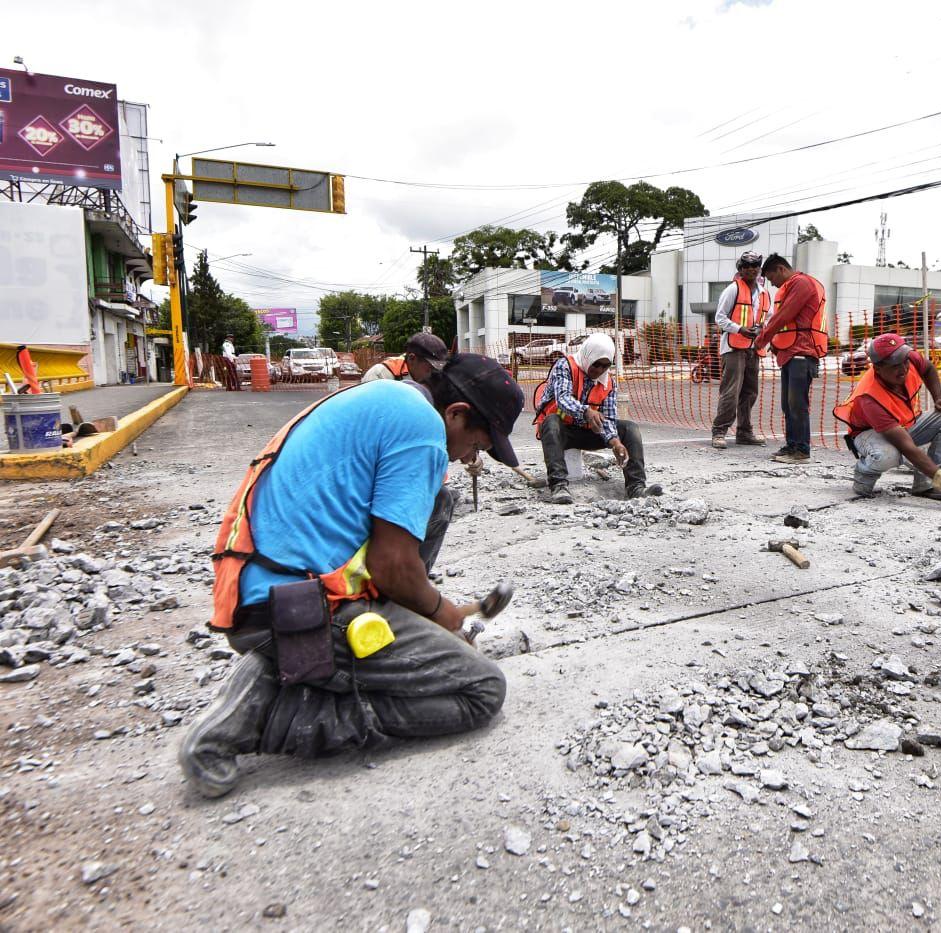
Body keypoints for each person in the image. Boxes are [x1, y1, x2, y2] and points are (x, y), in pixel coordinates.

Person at [179, 354, 523, 798]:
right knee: (481, 689)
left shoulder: (387, 399)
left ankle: (289, 663)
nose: (471, 456)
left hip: (257, 590)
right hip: (293, 609)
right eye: (478, 444)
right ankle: (267, 715)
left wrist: (426, 612)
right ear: (456, 414)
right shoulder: (422, 431)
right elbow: (392, 566)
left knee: (437, 501)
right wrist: (446, 617)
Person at [833, 333, 941, 502]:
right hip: (868, 434)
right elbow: (906, 447)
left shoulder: (909, 358)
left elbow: (928, 368)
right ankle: (863, 476)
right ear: (878, 368)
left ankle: (926, 484)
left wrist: (938, 398)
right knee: (888, 455)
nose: (903, 368)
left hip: (904, 425)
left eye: (904, 361)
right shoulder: (869, 398)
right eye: (894, 365)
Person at [533, 333, 661, 504]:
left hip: (587, 433)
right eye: (596, 364)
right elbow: (563, 399)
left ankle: (635, 487)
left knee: (630, 428)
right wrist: (586, 411)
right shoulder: (565, 366)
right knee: (551, 421)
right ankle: (558, 486)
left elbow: (608, 418)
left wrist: (615, 442)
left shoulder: (608, 383)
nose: (599, 370)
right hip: (560, 432)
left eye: (605, 366)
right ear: (588, 355)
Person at [752, 254, 828, 463]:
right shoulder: (793, 285)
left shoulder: (801, 283)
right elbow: (788, 322)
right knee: (788, 405)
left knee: (797, 405)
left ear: (780, 270)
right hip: (791, 354)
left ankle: (801, 451)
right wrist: (776, 345)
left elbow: (785, 315)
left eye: (771, 278)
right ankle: (792, 445)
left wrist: (763, 339)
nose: (773, 284)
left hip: (802, 353)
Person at [710, 251, 769, 449]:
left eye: (755, 266)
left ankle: (744, 432)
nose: (751, 269)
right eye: (746, 267)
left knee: (750, 392)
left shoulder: (764, 293)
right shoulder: (732, 289)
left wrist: (760, 328)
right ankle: (719, 431)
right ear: (740, 269)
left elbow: (768, 318)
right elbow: (720, 317)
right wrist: (740, 329)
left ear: (759, 269)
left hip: (754, 348)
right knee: (731, 391)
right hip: (734, 348)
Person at [362, 332, 450, 386]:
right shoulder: (380, 375)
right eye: (431, 368)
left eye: (439, 369)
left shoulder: (436, 379)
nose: (435, 374)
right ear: (412, 359)